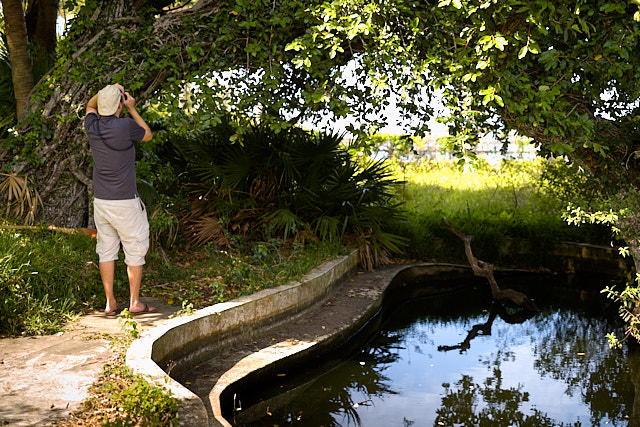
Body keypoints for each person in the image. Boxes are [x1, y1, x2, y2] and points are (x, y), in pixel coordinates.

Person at [85, 84, 156, 316]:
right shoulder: (126, 125)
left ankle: (110, 302)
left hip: (102, 202)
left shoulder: (92, 126)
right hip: (125, 201)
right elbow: (147, 135)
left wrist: (107, 92)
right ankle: (134, 302)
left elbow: (90, 105)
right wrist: (132, 108)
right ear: (119, 105)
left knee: (106, 250)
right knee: (134, 249)